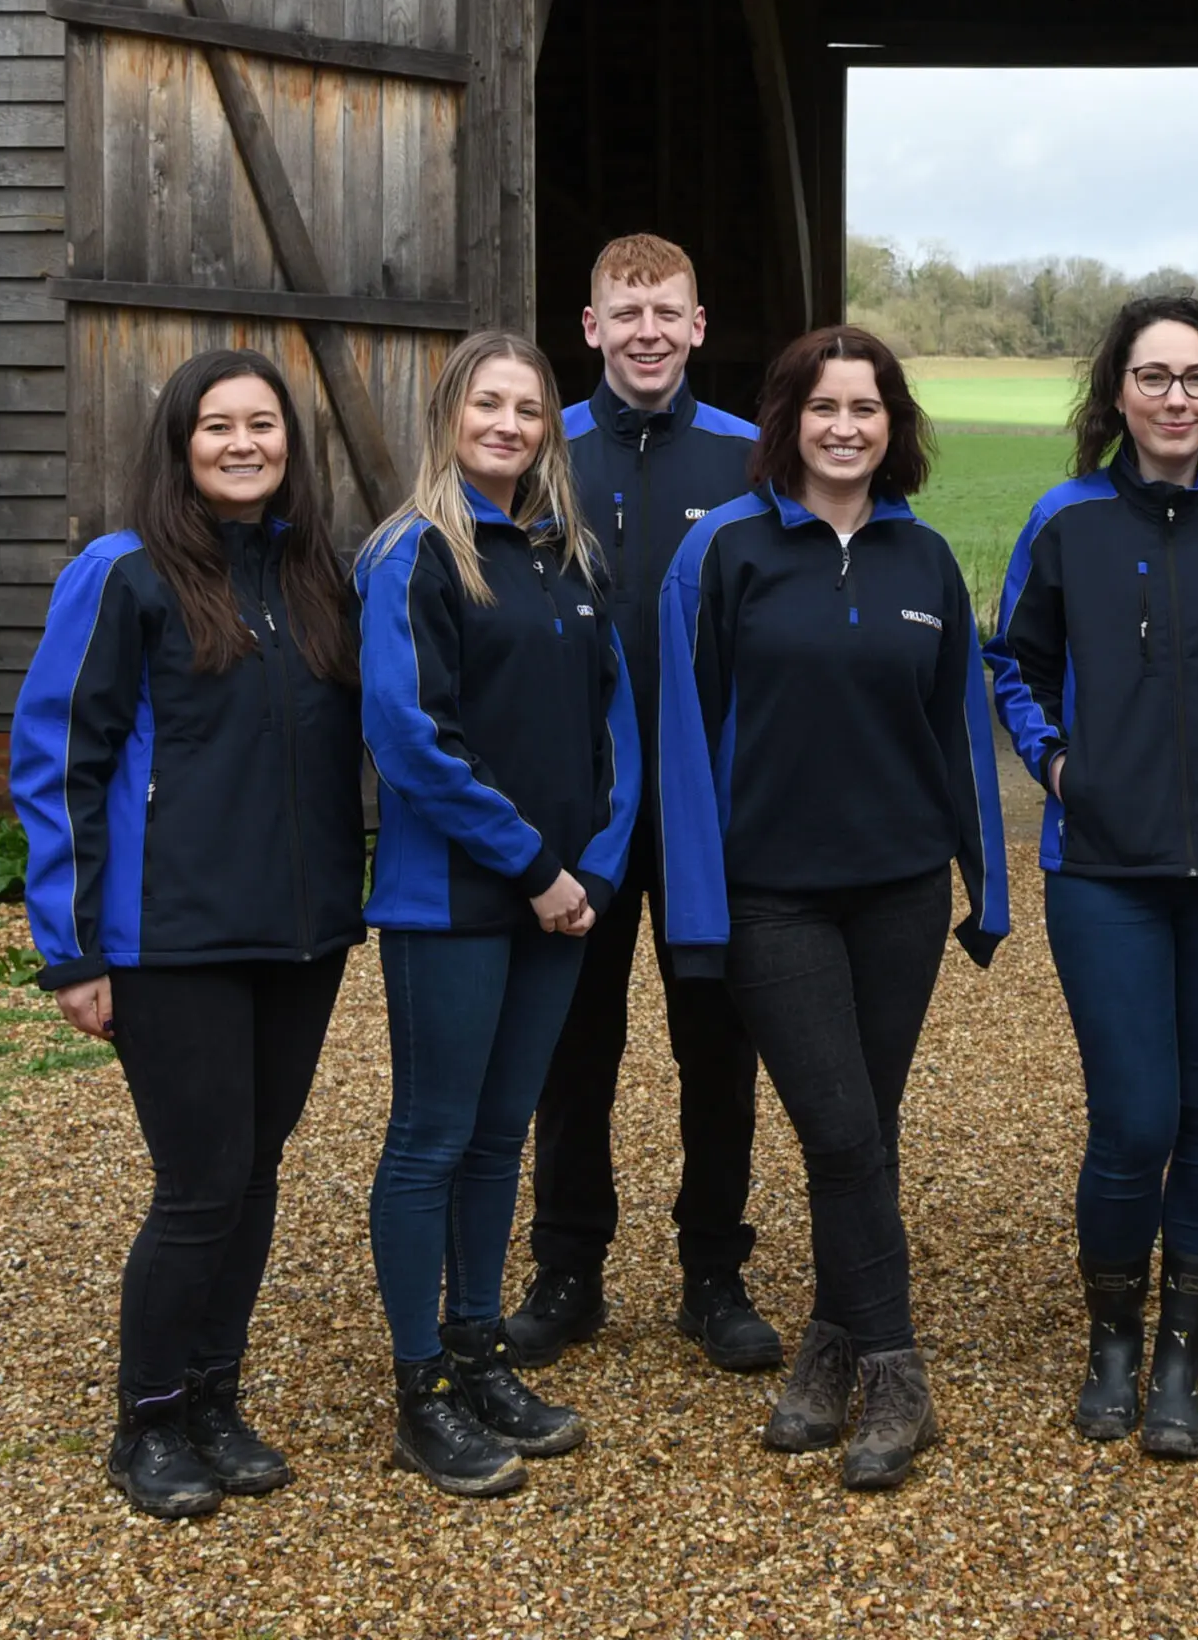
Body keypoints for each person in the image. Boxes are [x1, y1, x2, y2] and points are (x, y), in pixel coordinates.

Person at [12, 349, 364, 1520]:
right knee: (201, 1182)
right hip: (171, 939)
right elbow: (62, 758)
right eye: (217, 426)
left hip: (298, 937)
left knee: (254, 1173)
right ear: (179, 443)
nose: (243, 443)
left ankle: (216, 1393)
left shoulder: (317, 573)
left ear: (288, 444)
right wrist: (73, 946)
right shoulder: (124, 575)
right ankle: (149, 1416)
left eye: (262, 424)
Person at [659, 325, 1008, 1492]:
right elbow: (685, 742)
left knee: (863, 1128)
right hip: (775, 898)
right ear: (788, 419)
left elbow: (962, 732)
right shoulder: (723, 551)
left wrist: (984, 885)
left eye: (866, 406)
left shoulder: (926, 564)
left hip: (899, 891)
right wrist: (697, 915)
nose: (845, 426)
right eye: (823, 406)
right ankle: (900, 1376)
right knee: (842, 1130)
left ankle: (826, 1345)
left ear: (893, 423)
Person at [985, 295, 1198, 1459]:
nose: (1177, 397)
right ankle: (1111, 1335)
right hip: (1105, 869)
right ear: (1115, 391)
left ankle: (1183, 1352)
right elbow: (1013, 659)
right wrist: (1059, 766)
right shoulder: (1064, 518)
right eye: (1154, 375)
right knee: (1132, 1115)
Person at [356, 331, 638, 1499]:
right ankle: (420, 1383)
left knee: (498, 1133)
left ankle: (479, 1350)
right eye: (490, 402)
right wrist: (533, 864)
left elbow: (613, 722)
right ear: (450, 413)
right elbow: (410, 735)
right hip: (458, 899)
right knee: (432, 1135)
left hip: (561, 903)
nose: (510, 423)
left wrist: (597, 866)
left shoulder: (566, 553)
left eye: (529, 407)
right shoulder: (412, 551)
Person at [513, 235, 781, 1376]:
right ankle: (567, 1265)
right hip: (578, 810)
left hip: (710, 808)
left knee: (717, 1043)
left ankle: (714, 1269)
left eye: (665, 311)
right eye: (625, 312)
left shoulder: (749, 460)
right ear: (589, 327)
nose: (646, 332)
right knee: (572, 1044)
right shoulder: (538, 453)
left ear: (699, 324)